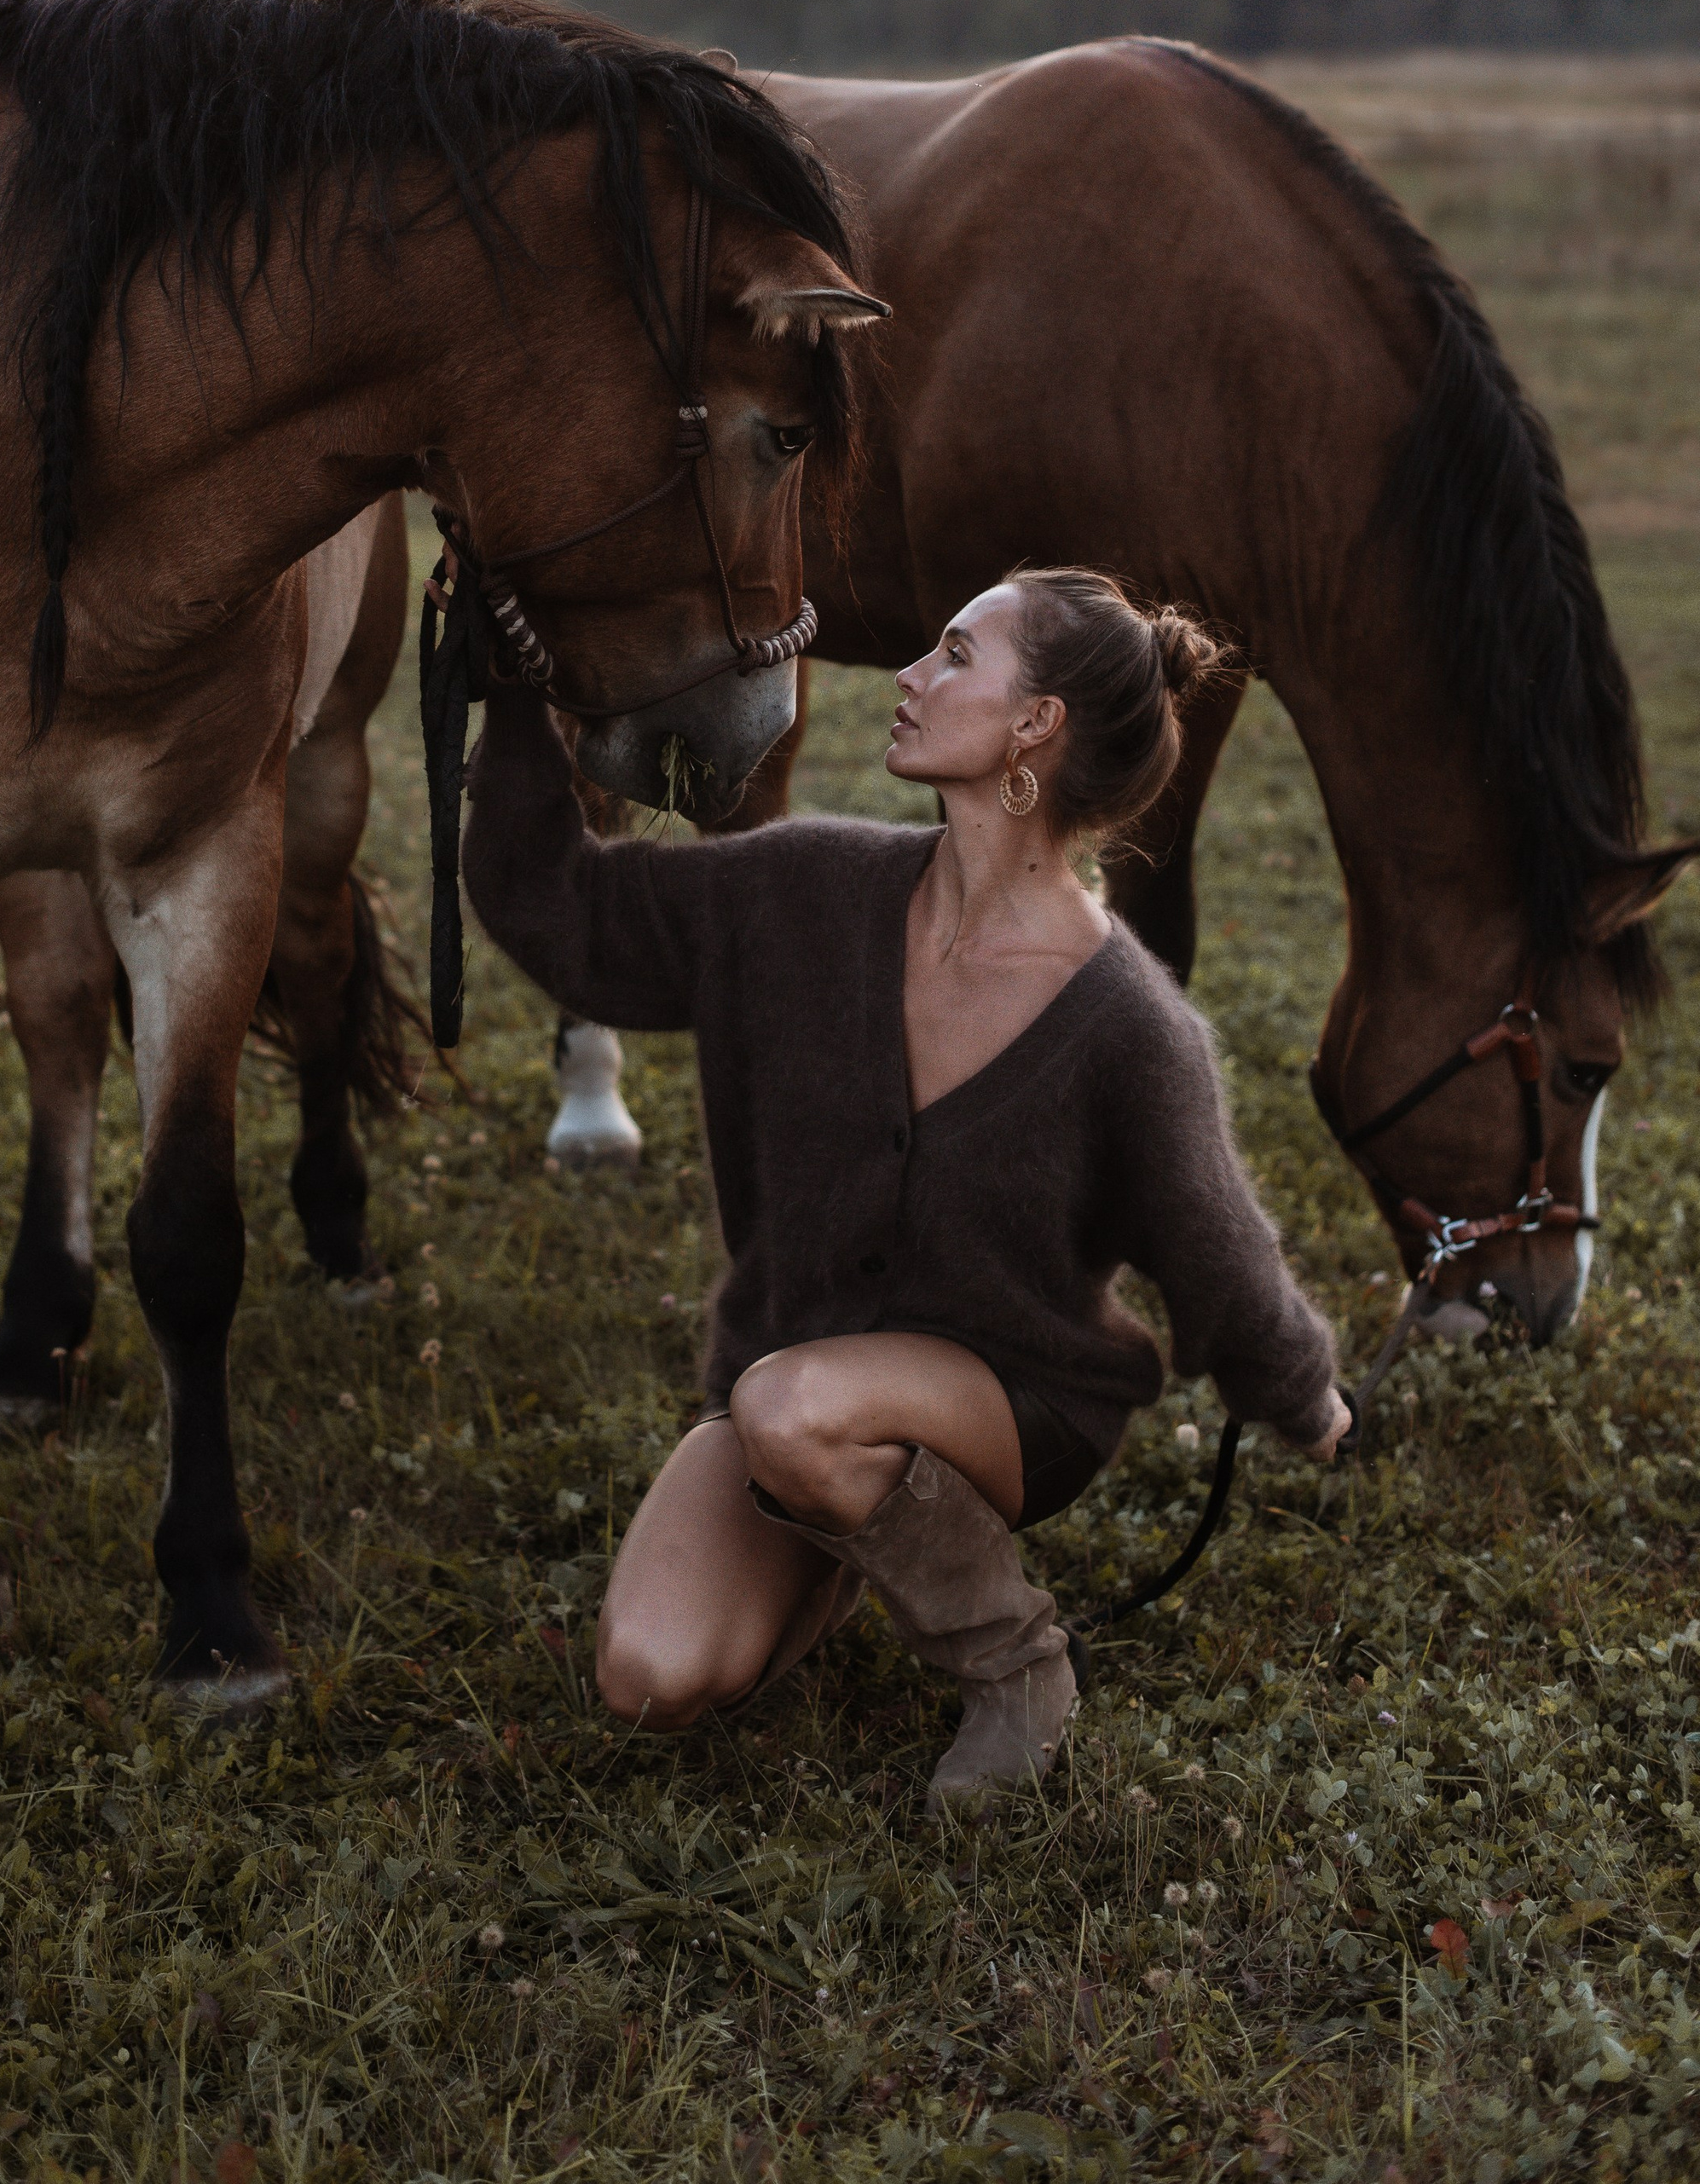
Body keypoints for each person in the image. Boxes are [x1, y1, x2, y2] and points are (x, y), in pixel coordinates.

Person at [460, 567, 1349, 1807]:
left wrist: (1305, 1397)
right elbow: (564, 914)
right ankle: (847, 1528)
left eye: (953, 656)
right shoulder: (804, 890)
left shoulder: (1130, 1027)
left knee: (791, 1408)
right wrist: (507, 701)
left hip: (1010, 1400)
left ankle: (1015, 1662)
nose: (909, 678)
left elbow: (1220, 1255)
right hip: (804, 1383)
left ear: (1035, 724)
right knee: (652, 1678)